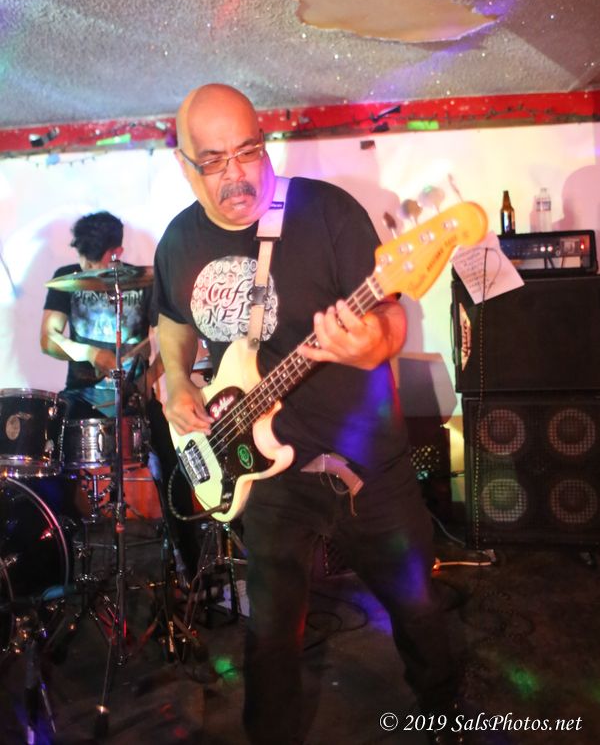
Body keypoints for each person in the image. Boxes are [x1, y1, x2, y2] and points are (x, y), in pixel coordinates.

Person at [154, 84, 460, 745]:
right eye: (214, 160)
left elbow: (390, 318)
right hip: (263, 475)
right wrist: (176, 379)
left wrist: (369, 345)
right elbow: (173, 322)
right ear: (184, 164)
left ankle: (446, 721)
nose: (237, 173)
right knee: (269, 635)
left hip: (364, 464)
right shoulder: (178, 241)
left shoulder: (327, 212)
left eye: (248, 151)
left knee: (418, 609)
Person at [40, 210, 199, 583]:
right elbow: (48, 339)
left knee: (174, 463)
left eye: (93, 261)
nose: (86, 267)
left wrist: (150, 379)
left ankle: (192, 567)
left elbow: (173, 340)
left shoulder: (143, 282)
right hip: (83, 394)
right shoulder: (67, 278)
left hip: (134, 394)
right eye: (83, 258)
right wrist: (90, 353)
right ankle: (59, 562)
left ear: (116, 253)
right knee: (48, 456)